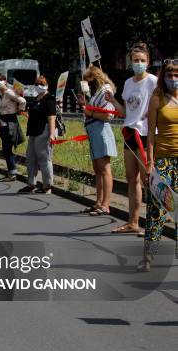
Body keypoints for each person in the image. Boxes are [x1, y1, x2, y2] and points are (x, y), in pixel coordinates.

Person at [106, 43, 157, 233]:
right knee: (131, 178)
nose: (139, 63)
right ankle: (133, 222)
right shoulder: (128, 83)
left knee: (148, 180)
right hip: (129, 132)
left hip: (145, 134)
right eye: (136, 61)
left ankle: (153, 224)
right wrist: (113, 101)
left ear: (148, 62)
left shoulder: (153, 81)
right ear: (131, 62)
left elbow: (159, 105)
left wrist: (150, 116)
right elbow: (126, 112)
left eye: (142, 61)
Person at [142, 59, 178, 269]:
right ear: (163, 76)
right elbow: (151, 136)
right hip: (163, 160)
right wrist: (150, 163)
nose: (173, 79)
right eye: (170, 75)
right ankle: (148, 256)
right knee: (157, 208)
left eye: (176, 75)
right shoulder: (157, 98)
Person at [77, 65, 117, 216]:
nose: (87, 84)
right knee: (98, 169)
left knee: (104, 169)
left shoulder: (106, 90)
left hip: (101, 130)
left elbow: (108, 115)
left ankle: (105, 204)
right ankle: (99, 202)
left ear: (95, 78)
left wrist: (89, 112)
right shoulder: (97, 93)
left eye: (89, 80)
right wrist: (84, 105)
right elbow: (92, 110)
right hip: (94, 130)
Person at [19, 75, 57, 194]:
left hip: (44, 131)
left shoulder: (49, 98)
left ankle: (47, 185)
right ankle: (31, 183)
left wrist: (51, 134)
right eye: (37, 84)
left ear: (47, 86)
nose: (39, 86)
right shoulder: (36, 98)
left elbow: (51, 117)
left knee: (44, 158)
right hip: (33, 131)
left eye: (42, 84)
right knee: (30, 158)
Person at [0, 75, 26, 181]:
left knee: (7, 148)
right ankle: (10, 172)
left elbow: (22, 100)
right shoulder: (3, 94)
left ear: (5, 81)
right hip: (3, 121)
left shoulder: (8, 92)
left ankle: (12, 173)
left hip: (10, 122)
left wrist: (19, 110)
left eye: (0, 80)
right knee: (5, 148)